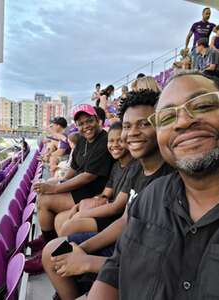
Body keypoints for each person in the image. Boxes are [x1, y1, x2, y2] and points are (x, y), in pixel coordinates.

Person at [88, 71, 219, 300]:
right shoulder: (151, 196)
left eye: (203, 105)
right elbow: (117, 267)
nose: (183, 121)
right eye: (167, 117)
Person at [42, 89, 173, 300]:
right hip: (123, 246)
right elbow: (124, 221)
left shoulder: (169, 180)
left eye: (144, 124)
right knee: (54, 251)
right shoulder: (137, 168)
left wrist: (88, 261)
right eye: (128, 126)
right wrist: (80, 250)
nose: (133, 133)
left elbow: (158, 261)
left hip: (137, 260)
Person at [25, 104, 114, 274]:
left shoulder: (103, 140)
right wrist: (60, 183)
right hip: (81, 188)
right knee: (47, 197)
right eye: (81, 123)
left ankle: (46, 248)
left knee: (45, 199)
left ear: (97, 120)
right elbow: (74, 168)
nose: (85, 126)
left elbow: (88, 176)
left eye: (89, 121)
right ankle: (46, 241)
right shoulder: (81, 140)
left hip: (92, 192)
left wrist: (54, 189)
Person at [53, 121, 134, 238]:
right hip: (108, 209)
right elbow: (105, 195)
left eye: (120, 140)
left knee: (70, 226)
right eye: (111, 141)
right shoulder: (116, 166)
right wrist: (82, 204)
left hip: (117, 219)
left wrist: (82, 214)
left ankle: (63, 253)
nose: (115, 145)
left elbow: (116, 207)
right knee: (59, 219)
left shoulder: (133, 167)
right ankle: (57, 251)